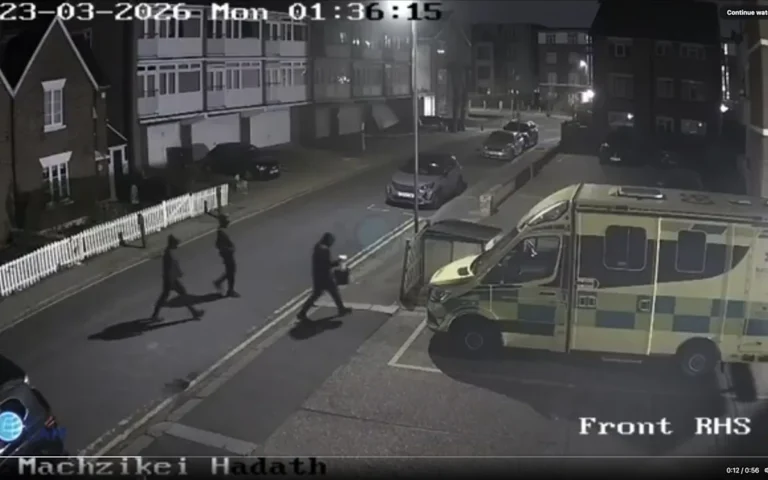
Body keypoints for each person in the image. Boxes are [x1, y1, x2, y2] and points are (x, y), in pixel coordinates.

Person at [297, 232, 352, 321]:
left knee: (316, 294)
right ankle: (341, 309)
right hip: (325, 276)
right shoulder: (325, 250)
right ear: (328, 241)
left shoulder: (317, 247)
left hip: (317, 275)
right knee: (334, 292)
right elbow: (327, 264)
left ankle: (302, 313)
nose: (331, 244)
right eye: (331, 242)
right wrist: (338, 262)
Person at [151, 235, 204, 320]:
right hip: (170, 280)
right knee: (181, 294)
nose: (177, 245)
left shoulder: (168, 252)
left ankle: (194, 312)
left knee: (176, 295)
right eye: (176, 244)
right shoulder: (168, 254)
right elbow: (168, 269)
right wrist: (172, 279)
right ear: (172, 244)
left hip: (170, 279)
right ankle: (194, 312)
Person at [213, 214, 239, 297]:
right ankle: (230, 290)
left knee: (230, 271)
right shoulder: (221, 232)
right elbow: (218, 244)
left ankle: (219, 282)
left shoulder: (221, 231)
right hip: (227, 255)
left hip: (227, 254)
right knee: (231, 271)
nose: (228, 223)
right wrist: (228, 250)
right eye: (227, 221)